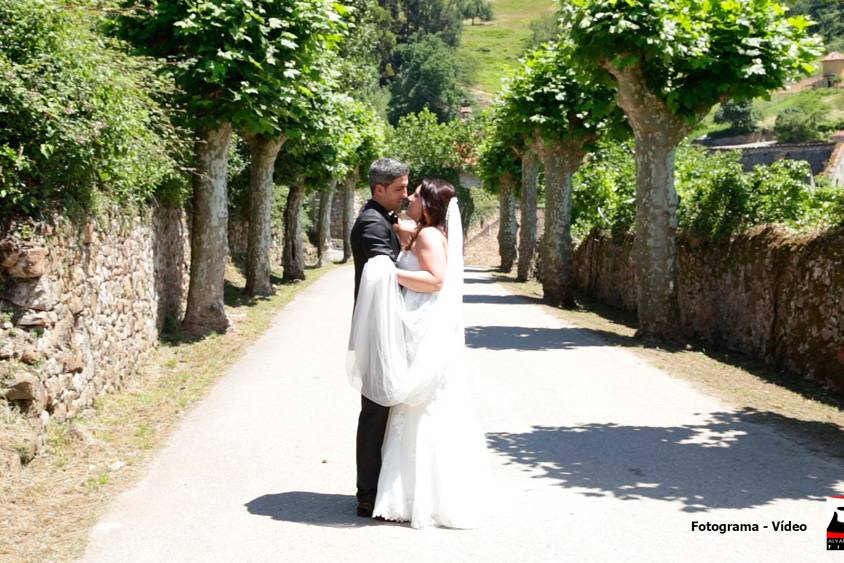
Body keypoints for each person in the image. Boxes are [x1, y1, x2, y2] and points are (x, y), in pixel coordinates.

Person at [347, 178, 490, 529]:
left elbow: (436, 280)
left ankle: (411, 494)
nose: (408, 197)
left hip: (420, 326)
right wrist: (402, 234)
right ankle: (411, 492)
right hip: (414, 321)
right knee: (410, 407)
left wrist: (390, 272)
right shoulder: (425, 232)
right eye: (404, 191)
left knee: (416, 406)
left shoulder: (428, 236)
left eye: (414, 194)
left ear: (426, 204)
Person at [349, 158, 409, 518]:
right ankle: (367, 493)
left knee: (387, 408)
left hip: (387, 327)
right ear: (379, 189)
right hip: (379, 330)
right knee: (375, 411)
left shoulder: (384, 219)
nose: (405, 194)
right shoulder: (371, 224)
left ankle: (381, 486)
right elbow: (386, 274)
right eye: (400, 189)